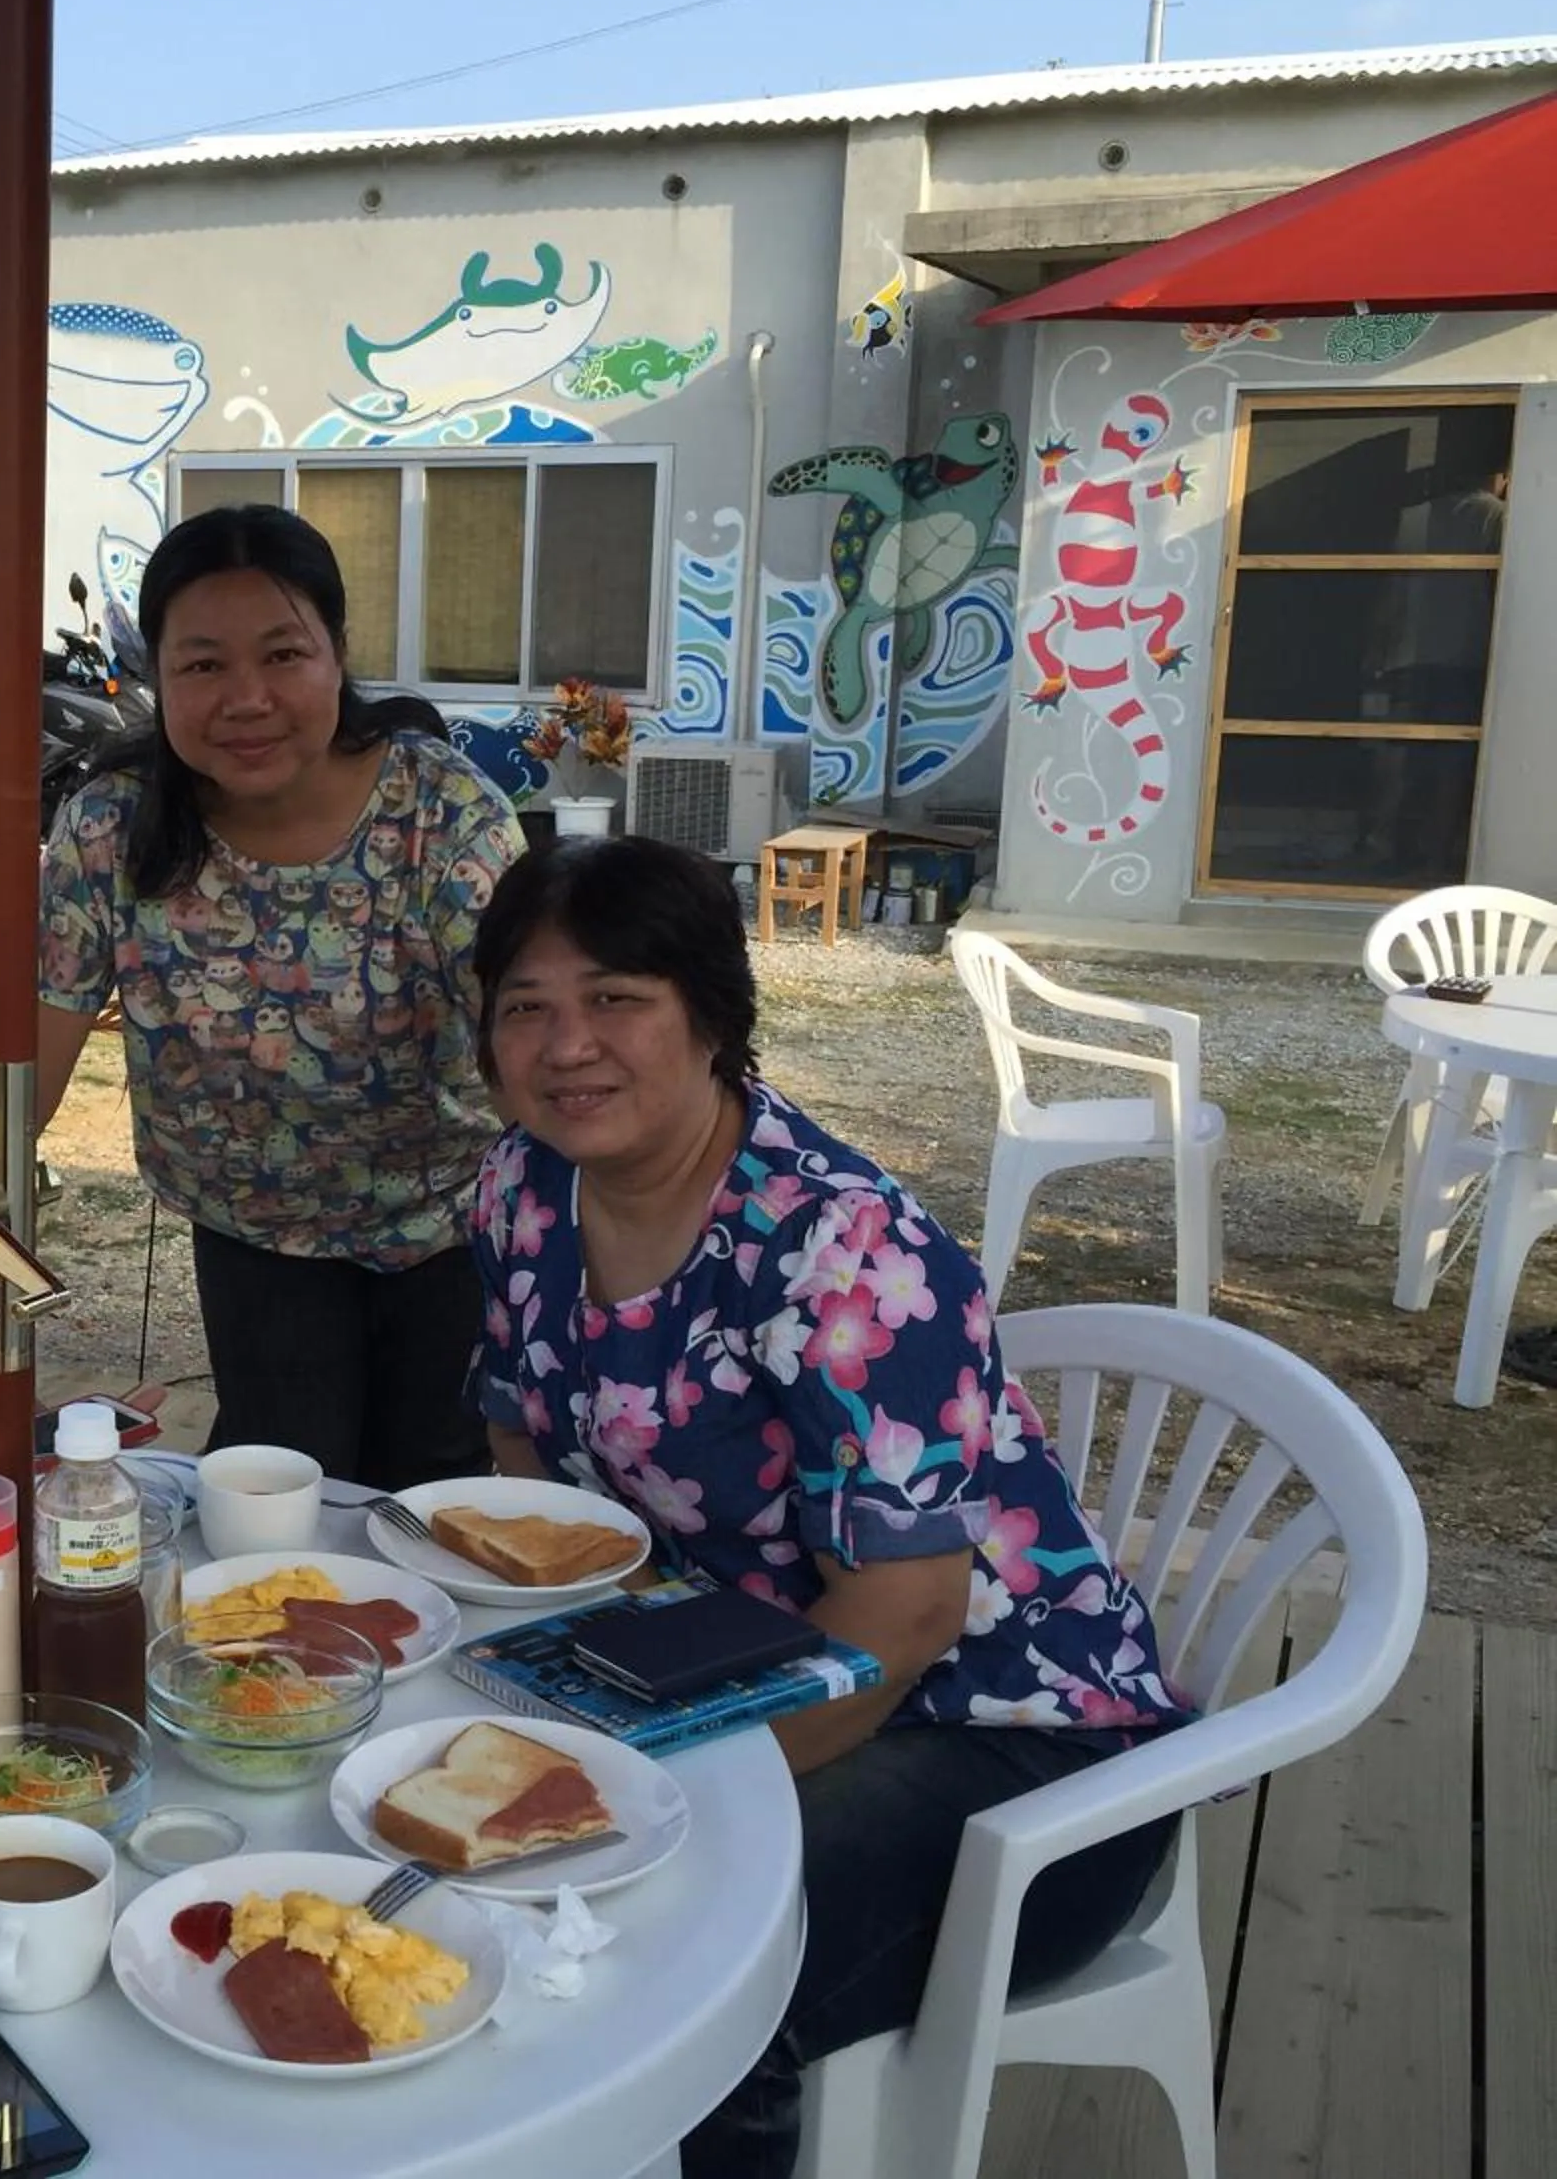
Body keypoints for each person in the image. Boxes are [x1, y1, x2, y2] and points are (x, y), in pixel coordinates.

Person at [460, 836, 1188, 2179]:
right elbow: (522, 1443)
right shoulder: (524, 1190)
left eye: (616, 998)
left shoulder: (840, 1244)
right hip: (711, 1674)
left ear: (711, 1015)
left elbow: (904, 1615)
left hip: (1006, 1747)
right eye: (526, 1007)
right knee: (467, 1852)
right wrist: (563, 1676)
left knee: (667, 1946)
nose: (567, 1046)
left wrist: (663, 1782)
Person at [19, 503, 523, 1490]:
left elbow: (530, 1052)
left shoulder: (444, 814)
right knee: (280, 1480)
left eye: (283, 654)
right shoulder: (111, 828)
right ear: (158, 677)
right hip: (251, 1232)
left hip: (449, 1225)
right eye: (203, 664)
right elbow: (23, 1073)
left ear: (338, 654)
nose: (246, 698)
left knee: (431, 1494)